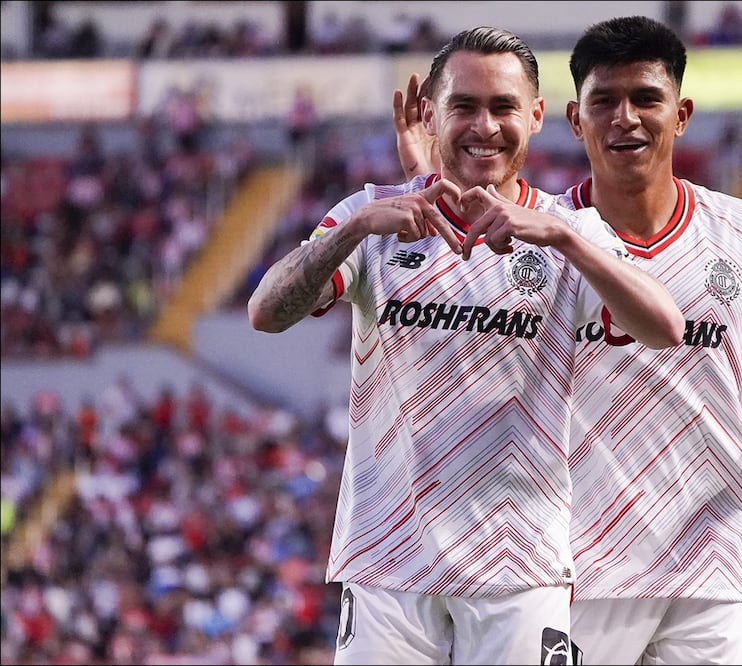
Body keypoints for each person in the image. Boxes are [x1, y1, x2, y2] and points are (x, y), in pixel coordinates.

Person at [393, 15, 742, 665]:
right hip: (576, 563)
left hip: (710, 559)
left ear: (681, 113)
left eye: (645, 98)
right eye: (604, 101)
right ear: (575, 119)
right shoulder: (526, 234)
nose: (624, 118)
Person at [248, 26, 685, 666]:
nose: (485, 126)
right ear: (430, 114)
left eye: (504, 107)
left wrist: (564, 241)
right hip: (387, 560)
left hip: (521, 565)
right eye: (465, 106)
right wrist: (356, 229)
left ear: (536, 116)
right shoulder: (372, 217)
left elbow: (665, 328)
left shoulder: (569, 232)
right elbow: (266, 312)